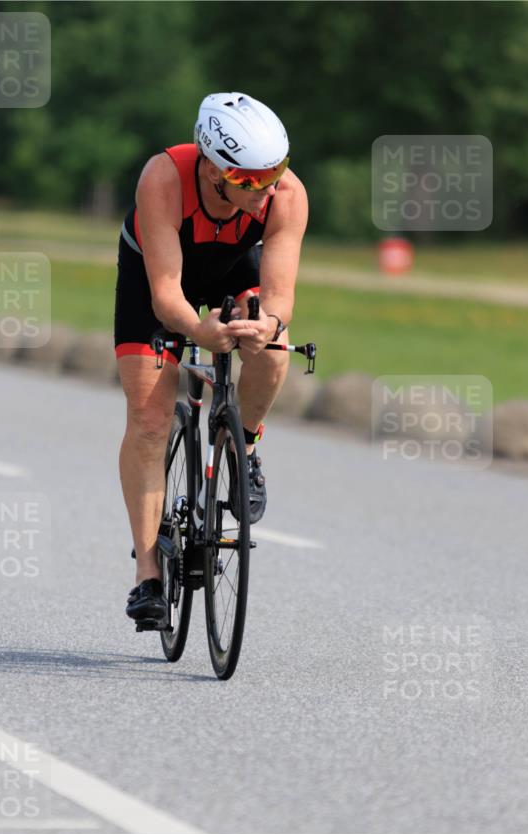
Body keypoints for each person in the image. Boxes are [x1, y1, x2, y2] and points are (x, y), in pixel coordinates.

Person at [115, 92, 308, 627]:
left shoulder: (285, 195)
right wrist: (199, 330)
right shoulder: (163, 179)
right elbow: (166, 294)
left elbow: (281, 296)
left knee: (270, 348)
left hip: (232, 267)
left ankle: (242, 447)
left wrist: (266, 324)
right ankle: (148, 573)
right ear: (213, 168)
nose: (265, 188)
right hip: (159, 275)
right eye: (249, 180)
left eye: (275, 172)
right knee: (150, 419)